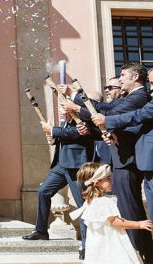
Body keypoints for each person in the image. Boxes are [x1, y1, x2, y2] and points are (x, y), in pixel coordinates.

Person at [93, 63, 153, 264]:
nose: (151, 88)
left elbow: (142, 115)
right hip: (151, 162)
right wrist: (118, 133)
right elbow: (145, 124)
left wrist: (108, 121)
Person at [69, 63, 153, 263]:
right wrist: (98, 131)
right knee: (126, 209)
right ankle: (140, 253)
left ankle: (144, 254)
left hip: (128, 161)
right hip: (121, 159)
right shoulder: (129, 97)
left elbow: (108, 112)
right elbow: (112, 119)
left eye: (123, 75)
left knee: (130, 209)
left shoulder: (139, 96)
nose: (119, 80)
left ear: (135, 77)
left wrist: (76, 102)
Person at [24, 80, 100, 257]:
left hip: (77, 166)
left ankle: (87, 246)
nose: (65, 107)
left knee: (82, 206)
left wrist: (53, 130)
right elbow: (65, 136)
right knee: (43, 191)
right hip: (61, 164)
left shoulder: (87, 119)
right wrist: (54, 137)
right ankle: (41, 231)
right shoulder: (67, 119)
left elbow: (78, 134)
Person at [70, 162, 153, 264]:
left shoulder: (91, 201)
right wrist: (139, 224)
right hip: (111, 243)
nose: (111, 180)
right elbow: (115, 221)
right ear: (97, 182)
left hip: (98, 246)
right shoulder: (103, 202)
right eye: (108, 178)